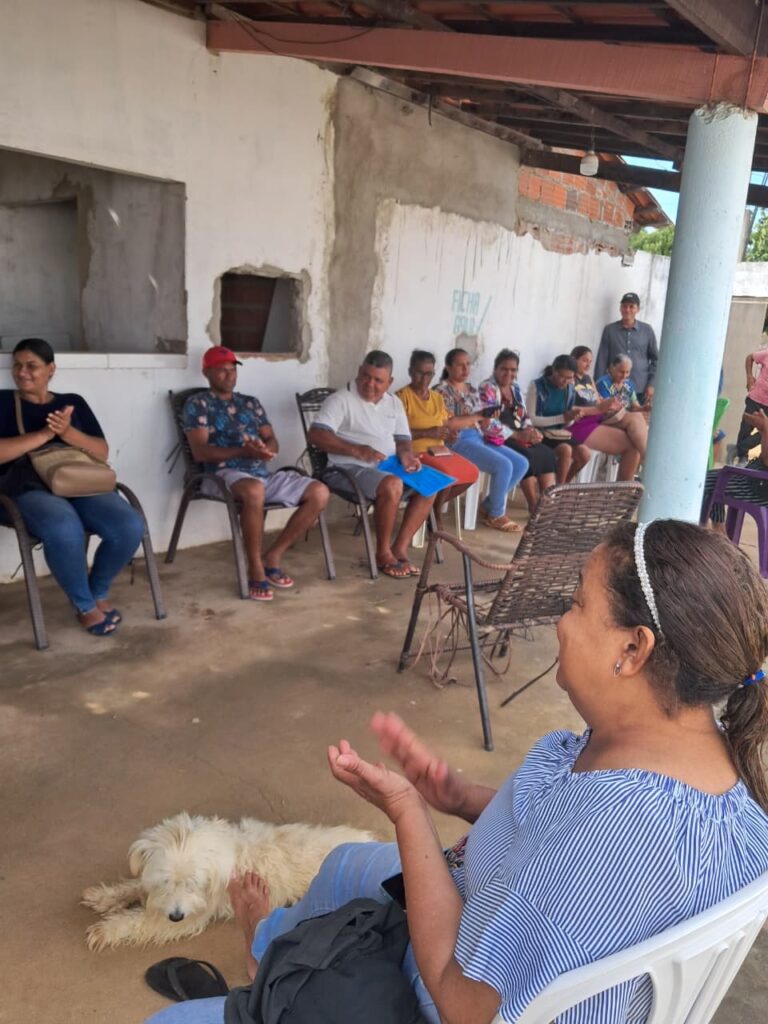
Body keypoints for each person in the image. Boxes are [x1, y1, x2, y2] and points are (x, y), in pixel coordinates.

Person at [146, 519, 768, 1024]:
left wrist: (408, 812)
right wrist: (461, 796)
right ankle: (269, 959)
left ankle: (276, 983)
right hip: (500, 916)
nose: (560, 620)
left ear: (632, 649)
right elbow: (554, 832)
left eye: (578, 603)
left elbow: (460, 1003)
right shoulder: (704, 764)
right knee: (342, 865)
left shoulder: (610, 838)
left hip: (448, 992)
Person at [0, 338, 144, 635]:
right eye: (17, 365)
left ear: (51, 369)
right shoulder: (2, 401)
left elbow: (101, 452)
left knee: (129, 525)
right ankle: (85, 606)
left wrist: (67, 433)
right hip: (25, 486)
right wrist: (44, 435)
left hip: (78, 481)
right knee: (64, 528)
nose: (22, 372)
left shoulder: (72, 402)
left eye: (31, 366)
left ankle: (97, 591)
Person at [183, 346, 330, 601]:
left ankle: (273, 555)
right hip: (220, 475)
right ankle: (255, 567)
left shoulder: (250, 403)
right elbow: (200, 452)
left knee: (319, 491)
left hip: (260, 474)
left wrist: (265, 451)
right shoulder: (198, 404)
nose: (229, 375)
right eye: (222, 370)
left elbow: (272, 440)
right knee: (254, 490)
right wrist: (242, 451)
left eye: (232, 370)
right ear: (206, 373)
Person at [307, 350, 432, 578]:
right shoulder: (341, 400)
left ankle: (399, 549)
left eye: (378, 380)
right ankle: (383, 554)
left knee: (429, 484)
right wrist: (356, 450)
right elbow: (317, 435)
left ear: (390, 382)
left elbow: (403, 440)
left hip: (387, 466)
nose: (370, 384)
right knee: (392, 485)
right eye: (366, 376)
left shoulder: (393, 403)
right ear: (359, 372)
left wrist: (406, 455)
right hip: (347, 469)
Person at [436, 348, 529, 533]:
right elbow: (448, 423)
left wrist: (488, 418)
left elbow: (483, 419)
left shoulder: (471, 390)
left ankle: (489, 504)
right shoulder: (441, 391)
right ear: (448, 367)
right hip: (457, 440)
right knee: (503, 465)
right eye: (460, 365)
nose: (465, 369)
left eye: (468, 364)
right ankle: (496, 515)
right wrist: (478, 416)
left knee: (521, 463)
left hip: (478, 436)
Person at [395, 350, 479, 531]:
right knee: (445, 474)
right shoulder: (401, 397)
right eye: (420, 373)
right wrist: (428, 432)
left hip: (439, 451)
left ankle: (431, 508)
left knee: (471, 473)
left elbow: (445, 423)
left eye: (429, 374)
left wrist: (449, 434)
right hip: (414, 452)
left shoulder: (437, 398)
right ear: (410, 372)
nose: (424, 378)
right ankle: (435, 515)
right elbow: (396, 433)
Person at [478, 350, 556, 516]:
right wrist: (516, 435)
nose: (509, 373)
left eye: (513, 370)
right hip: (498, 437)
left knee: (547, 454)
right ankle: (533, 505)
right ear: (495, 368)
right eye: (504, 369)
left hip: (519, 434)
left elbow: (524, 415)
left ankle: (547, 505)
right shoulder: (487, 388)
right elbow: (488, 422)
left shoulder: (515, 388)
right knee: (526, 456)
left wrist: (531, 431)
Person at [574, 346, 649, 460]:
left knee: (636, 432)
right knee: (635, 422)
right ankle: (648, 460)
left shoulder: (589, 379)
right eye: (585, 361)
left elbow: (600, 402)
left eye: (627, 372)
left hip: (607, 416)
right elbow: (604, 407)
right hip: (603, 418)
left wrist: (643, 409)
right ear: (611, 368)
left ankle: (646, 459)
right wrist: (606, 406)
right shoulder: (602, 383)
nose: (624, 375)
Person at [526, 354, 591, 483]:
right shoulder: (537, 386)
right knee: (565, 450)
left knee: (585, 454)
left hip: (558, 434)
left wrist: (572, 417)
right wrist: (562, 418)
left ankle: (562, 486)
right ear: (554, 370)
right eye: (562, 376)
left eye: (569, 378)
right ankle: (557, 489)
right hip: (539, 433)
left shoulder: (570, 389)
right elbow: (531, 419)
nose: (565, 381)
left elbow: (566, 423)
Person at [702, 408, 768, 529]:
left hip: (756, 487)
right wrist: (763, 430)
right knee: (713, 479)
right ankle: (719, 532)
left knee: (699, 483)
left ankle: (710, 533)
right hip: (755, 480)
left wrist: (765, 428)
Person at [594, 291, 659, 405]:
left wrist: (651, 384)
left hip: (640, 388)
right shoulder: (610, 330)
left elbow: (656, 360)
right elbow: (602, 360)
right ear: (620, 308)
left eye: (631, 306)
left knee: (638, 413)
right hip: (613, 389)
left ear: (638, 309)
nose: (627, 310)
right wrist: (597, 386)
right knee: (615, 415)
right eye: (624, 306)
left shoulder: (647, 330)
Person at [736, 347, 768, 463]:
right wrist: (749, 376)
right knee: (745, 429)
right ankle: (742, 457)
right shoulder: (766, 354)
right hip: (755, 399)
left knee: (765, 431)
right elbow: (750, 357)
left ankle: (739, 448)